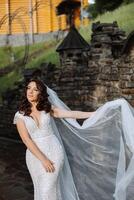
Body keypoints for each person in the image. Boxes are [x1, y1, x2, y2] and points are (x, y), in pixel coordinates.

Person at [13, 78, 96, 200]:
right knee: (41, 189)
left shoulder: (47, 108)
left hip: (54, 152)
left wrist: (93, 114)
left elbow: (71, 114)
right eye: (28, 88)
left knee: (48, 189)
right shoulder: (19, 115)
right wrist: (43, 159)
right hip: (35, 157)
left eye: (35, 89)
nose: (30, 92)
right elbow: (26, 140)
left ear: (41, 93)